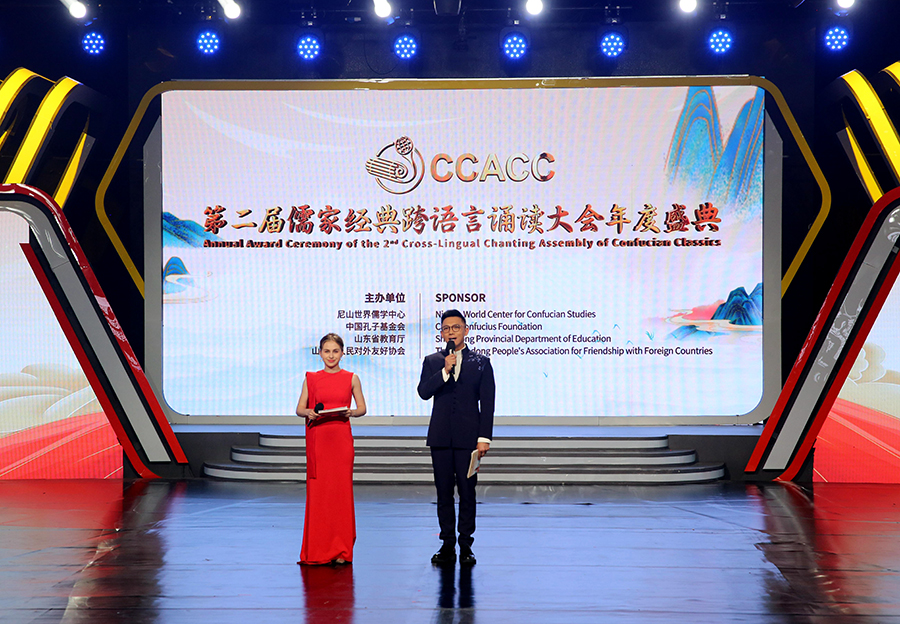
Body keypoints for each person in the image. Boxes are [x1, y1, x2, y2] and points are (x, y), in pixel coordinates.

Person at [417, 309, 495, 566]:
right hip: (440, 437)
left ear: (465, 330)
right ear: (441, 332)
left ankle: (466, 545)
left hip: (469, 438)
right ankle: (447, 543)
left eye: (456, 327)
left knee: (467, 492)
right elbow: (423, 392)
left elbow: (488, 403)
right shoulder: (432, 361)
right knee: (443, 493)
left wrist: (484, 437)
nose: (451, 332)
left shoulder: (481, 362)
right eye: (446, 328)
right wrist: (444, 371)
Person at [296, 333, 367, 565]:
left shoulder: (352, 378)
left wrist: (351, 412)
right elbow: (299, 408)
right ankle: (320, 549)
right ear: (320, 353)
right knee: (321, 496)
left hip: (341, 441)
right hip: (320, 441)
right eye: (326, 351)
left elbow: (362, 408)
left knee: (340, 495)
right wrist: (309, 412)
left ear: (342, 353)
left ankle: (341, 550)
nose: (331, 355)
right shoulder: (311, 379)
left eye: (335, 351)